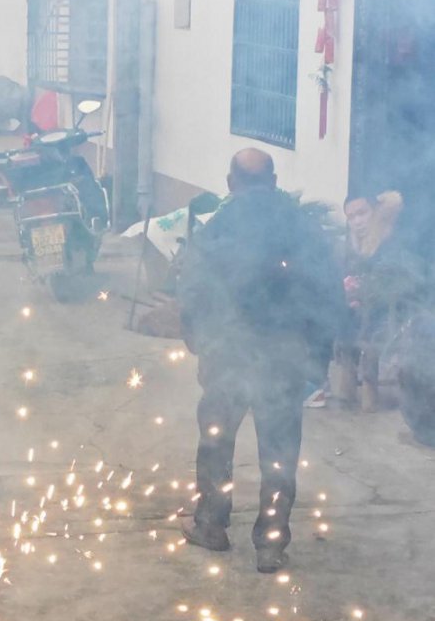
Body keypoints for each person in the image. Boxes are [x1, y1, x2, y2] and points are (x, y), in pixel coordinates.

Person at [178, 148, 344, 573]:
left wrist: (196, 339)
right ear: (273, 181)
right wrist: (318, 356)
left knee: (216, 442)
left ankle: (211, 526)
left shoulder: (216, 228)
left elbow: (193, 288)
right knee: (279, 453)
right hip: (284, 360)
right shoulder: (303, 229)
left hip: (227, 356)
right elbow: (327, 292)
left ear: (231, 183)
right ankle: (270, 546)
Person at [332, 190, 421, 412]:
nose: (357, 221)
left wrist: (365, 292)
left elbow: (400, 284)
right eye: (351, 216)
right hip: (358, 310)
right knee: (341, 320)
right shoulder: (352, 247)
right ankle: (346, 388)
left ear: (374, 211)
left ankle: (368, 395)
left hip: (390, 312)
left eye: (362, 213)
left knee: (369, 333)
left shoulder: (390, 242)